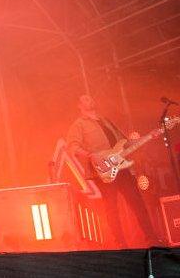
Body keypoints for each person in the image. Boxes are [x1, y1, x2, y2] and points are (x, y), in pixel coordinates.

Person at [65, 94, 160, 246]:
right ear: (79, 105)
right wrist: (90, 155)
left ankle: (152, 238)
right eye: (85, 99)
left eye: (91, 98)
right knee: (111, 208)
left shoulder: (106, 121)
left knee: (137, 202)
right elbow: (72, 147)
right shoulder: (79, 124)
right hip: (103, 171)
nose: (90, 100)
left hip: (121, 166)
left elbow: (125, 144)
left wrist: (148, 137)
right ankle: (121, 244)